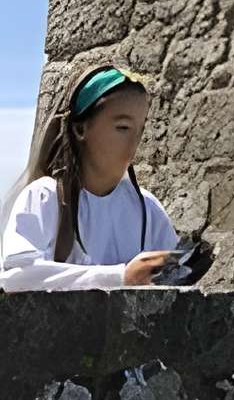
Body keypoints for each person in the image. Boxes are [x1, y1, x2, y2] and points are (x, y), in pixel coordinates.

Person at [1, 67, 177, 291]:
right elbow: (16, 277)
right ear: (80, 129)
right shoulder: (44, 197)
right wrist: (119, 276)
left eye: (140, 129)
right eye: (122, 127)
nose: (134, 141)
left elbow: (176, 281)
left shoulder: (148, 209)